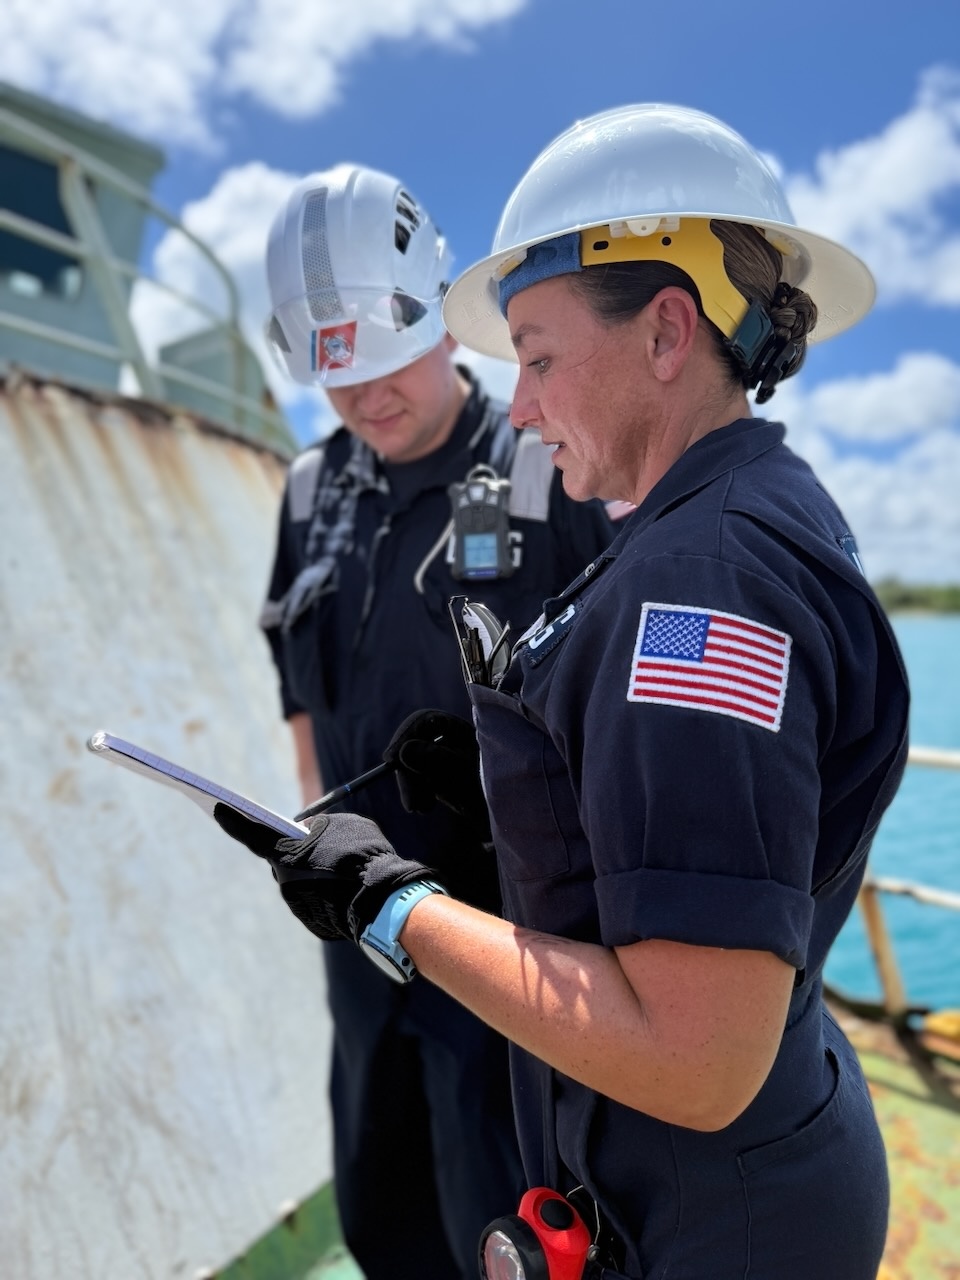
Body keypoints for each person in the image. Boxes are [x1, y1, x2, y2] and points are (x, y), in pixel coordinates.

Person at [222, 109, 909, 1279]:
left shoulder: (696, 576)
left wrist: (398, 904)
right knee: (396, 1206)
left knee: (478, 1190)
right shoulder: (732, 518)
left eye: (535, 355)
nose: (524, 397)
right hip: (542, 1018)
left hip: (593, 1060)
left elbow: (693, 1055)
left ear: (665, 334)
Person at [254, 162, 618, 1280]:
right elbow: (300, 689)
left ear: (437, 312)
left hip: (513, 954)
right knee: (386, 1210)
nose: (364, 399)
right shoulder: (312, 492)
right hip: (362, 948)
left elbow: (621, 719)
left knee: (507, 1228)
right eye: (337, 379)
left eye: (381, 364)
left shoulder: (549, 463)